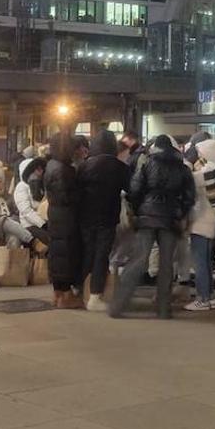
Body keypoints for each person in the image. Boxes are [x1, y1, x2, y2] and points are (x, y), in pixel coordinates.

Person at [110, 134, 195, 319]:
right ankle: (164, 309)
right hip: (170, 218)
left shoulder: (147, 163)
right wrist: (179, 212)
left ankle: (118, 305)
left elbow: (135, 189)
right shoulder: (183, 168)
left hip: (147, 217)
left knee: (138, 261)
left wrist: (139, 208)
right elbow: (190, 197)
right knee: (166, 265)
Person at [76, 129, 130, 311]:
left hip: (85, 216)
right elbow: (131, 190)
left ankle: (78, 290)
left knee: (86, 253)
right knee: (101, 255)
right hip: (108, 217)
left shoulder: (84, 166)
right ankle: (95, 296)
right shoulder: (120, 167)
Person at [185, 138, 215, 312]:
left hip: (201, 222)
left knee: (200, 263)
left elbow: (187, 178)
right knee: (204, 261)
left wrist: (187, 162)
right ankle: (209, 296)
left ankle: (202, 298)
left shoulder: (207, 172)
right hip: (208, 221)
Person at [44, 134, 86, 308]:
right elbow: (68, 196)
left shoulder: (51, 165)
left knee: (57, 252)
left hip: (55, 214)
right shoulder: (64, 169)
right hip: (67, 216)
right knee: (67, 253)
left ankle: (58, 293)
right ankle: (66, 296)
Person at [13, 157, 49, 245]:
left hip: (45, 220)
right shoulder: (21, 187)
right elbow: (26, 211)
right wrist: (43, 224)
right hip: (30, 225)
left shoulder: (42, 185)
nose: (39, 172)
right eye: (36, 169)